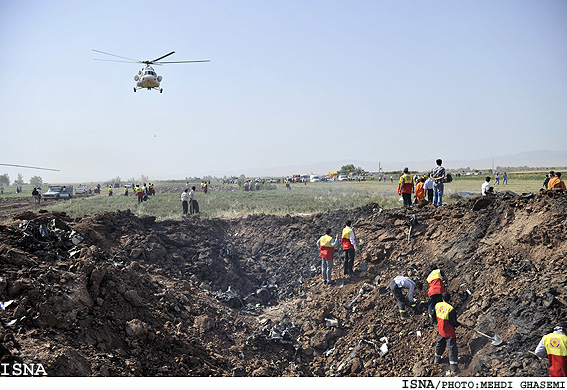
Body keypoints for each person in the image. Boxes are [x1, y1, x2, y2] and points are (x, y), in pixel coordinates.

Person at [434, 292, 461, 374]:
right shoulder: (451, 309)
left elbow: (433, 314)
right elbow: (453, 322)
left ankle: (437, 359)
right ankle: (454, 368)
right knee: (452, 348)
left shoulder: (437, 305)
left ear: (442, 298)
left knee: (440, 343)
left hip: (441, 329)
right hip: (449, 332)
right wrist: (458, 324)